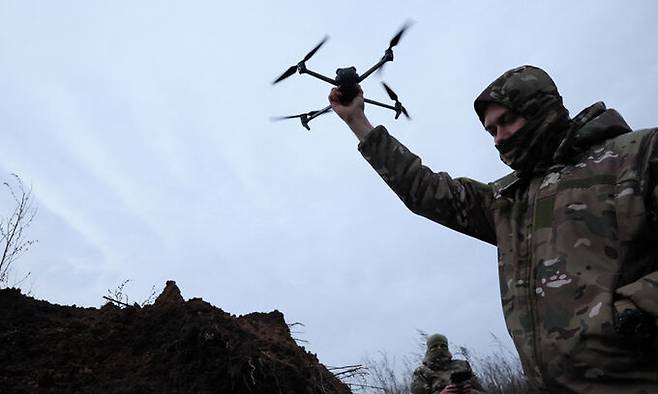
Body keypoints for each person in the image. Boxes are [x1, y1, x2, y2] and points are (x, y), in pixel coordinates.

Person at [328, 65, 658, 393]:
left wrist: (630, 315)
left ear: (540, 108)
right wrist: (358, 121)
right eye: (491, 130)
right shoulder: (510, 200)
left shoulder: (636, 155)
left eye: (507, 120)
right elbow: (427, 191)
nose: (500, 137)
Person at [410, 333, 483, 394]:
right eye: (434, 346)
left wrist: (471, 391)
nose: (439, 349)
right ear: (429, 350)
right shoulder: (421, 372)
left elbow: (481, 391)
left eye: (443, 346)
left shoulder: (463, 365)